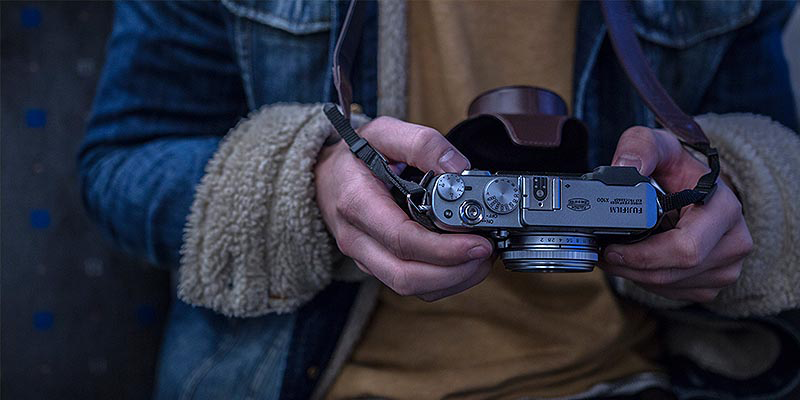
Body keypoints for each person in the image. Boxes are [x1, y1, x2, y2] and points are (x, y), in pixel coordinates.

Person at [79, 1, 800, 399]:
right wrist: (307, 184)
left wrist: (735, 198)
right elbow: (119, 163)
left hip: (631, 378)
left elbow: (768, 149)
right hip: (315, 384)